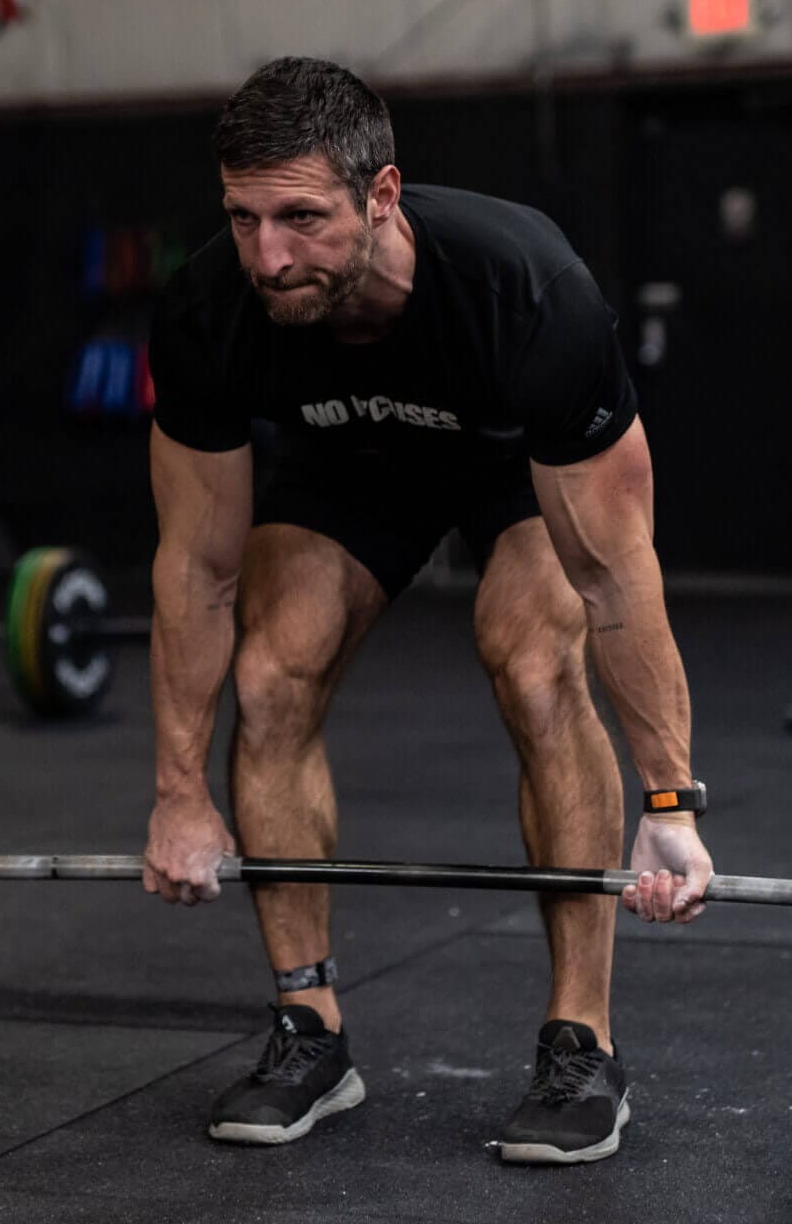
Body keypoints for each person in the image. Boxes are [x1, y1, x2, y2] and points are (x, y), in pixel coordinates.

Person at [143, 57, 713, 1166]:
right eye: (245, 218)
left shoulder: (527, 287)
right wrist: (176, 792)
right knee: (270, 675)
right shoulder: (211, 309)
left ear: (383, 195)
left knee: (535, 661)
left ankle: (581, 1041)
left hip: (513, 470)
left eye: (303, 219)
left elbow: (613, 575)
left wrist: (671, 798)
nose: (269, 255)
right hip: (348, 465)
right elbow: (194, 569)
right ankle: (310, 1026)